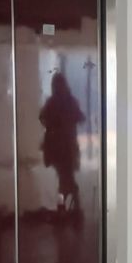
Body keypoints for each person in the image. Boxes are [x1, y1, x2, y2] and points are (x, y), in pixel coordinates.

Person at [39, 72, 85, 213]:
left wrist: (52, 127)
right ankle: (71, 205)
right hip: (67, 146)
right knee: (66, 177)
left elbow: (42, 117)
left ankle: (65, 206)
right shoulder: (70, 101)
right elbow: (80, 117)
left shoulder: (52, 102)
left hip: (57, 147)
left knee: (63, 178)